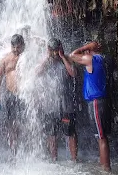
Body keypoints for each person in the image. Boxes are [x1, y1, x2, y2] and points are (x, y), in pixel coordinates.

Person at [68, 41, 111, 171]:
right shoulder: (103, 59)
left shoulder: (92, 59)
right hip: (101, 101)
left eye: (88, 49)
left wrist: (86, 47)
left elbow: (72, 55)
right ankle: (104, 166)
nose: (85, 52)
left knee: (101, 137)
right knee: (101, 136)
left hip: (96, 102)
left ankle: (106, 169)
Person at [35, 38, 77, 162]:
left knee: (70, 132)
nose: (55, 53)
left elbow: (74, 74)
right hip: (50, 104)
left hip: (66, 104)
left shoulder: (67, 59)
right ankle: (54, 159)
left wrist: (63, 57)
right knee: (51, 133)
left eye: (57, 50)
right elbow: (36, 73)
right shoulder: (46, 62)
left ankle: (74, 160)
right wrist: (47, 58)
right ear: (49, 50)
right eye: (52, 51)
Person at [0, 34, 25, 155]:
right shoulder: (5, 60)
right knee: (12, 124)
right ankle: (14, 152)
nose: (16, 49)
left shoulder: (28, 56)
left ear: (23, 46)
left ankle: (27, 149)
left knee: (25, 123)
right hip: (11, 95)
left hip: (26, 96)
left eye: (18, 47)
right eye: (13, 47)